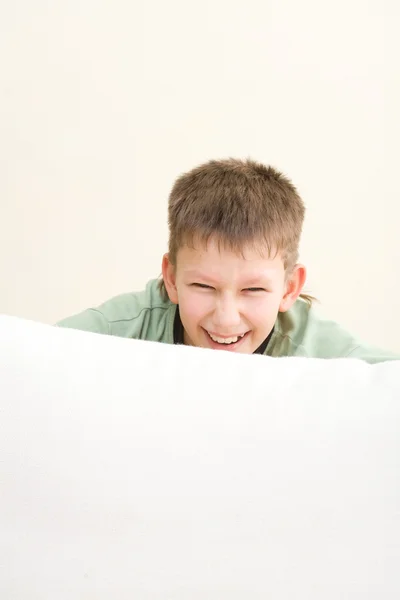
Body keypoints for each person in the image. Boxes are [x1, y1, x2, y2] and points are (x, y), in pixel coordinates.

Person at [57, 158, 398, 363]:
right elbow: (29, 353)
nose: (226, 317)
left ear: (289, 288)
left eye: (252, 290)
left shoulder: (316, 348)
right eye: (204, 286)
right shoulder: (127, 328)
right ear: (171, 279)